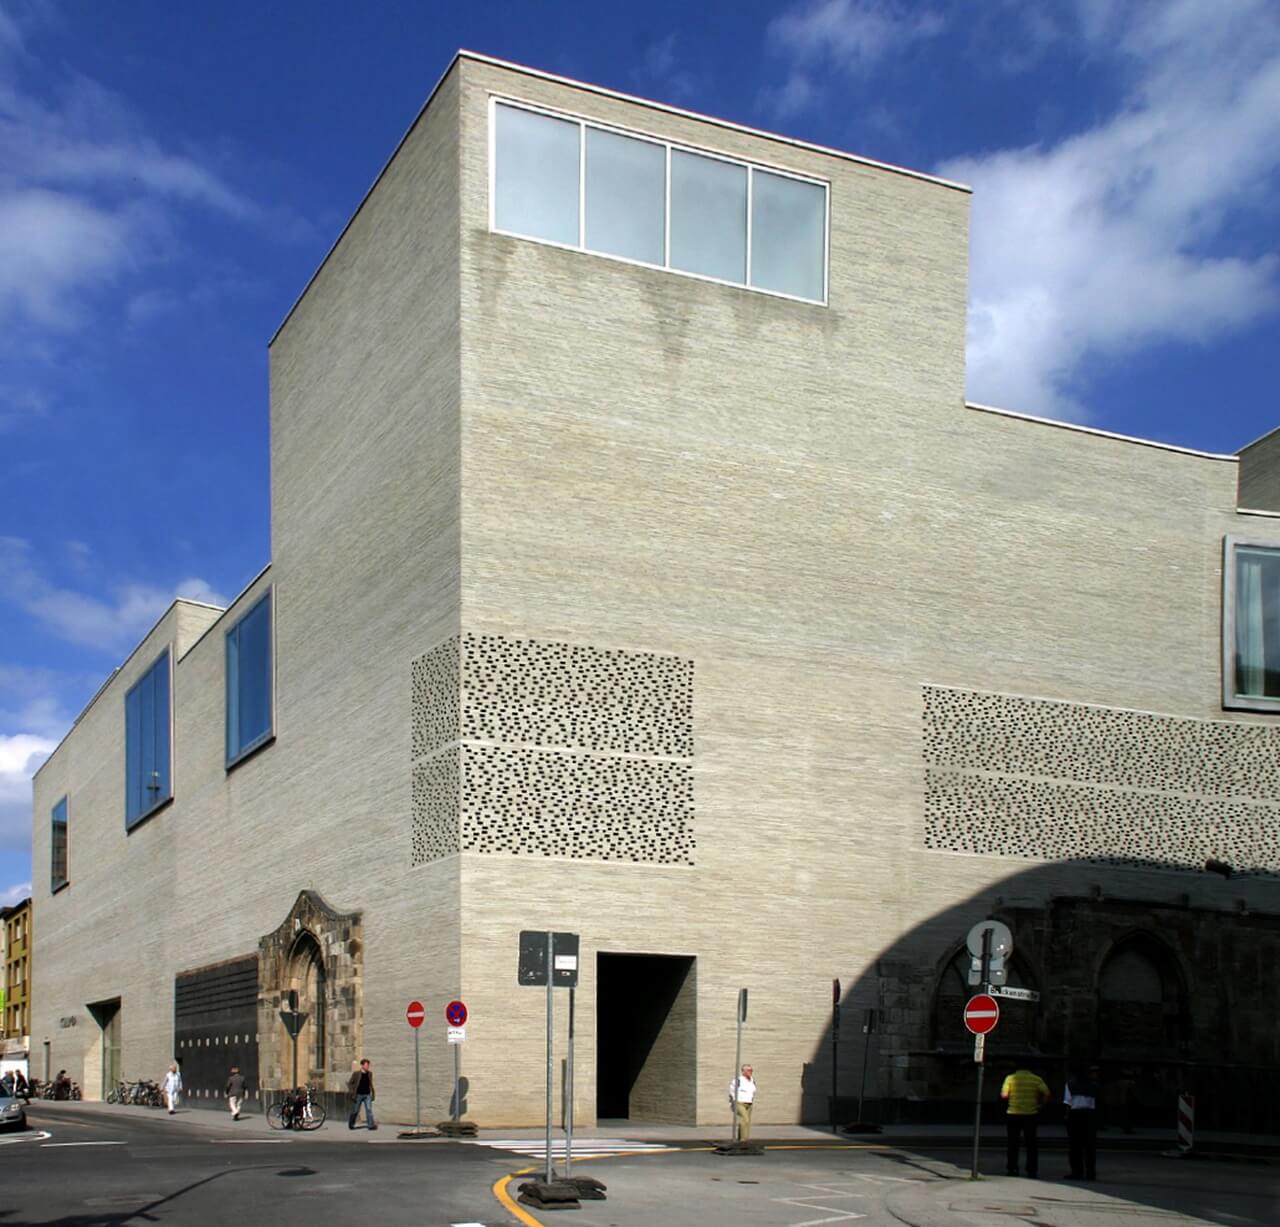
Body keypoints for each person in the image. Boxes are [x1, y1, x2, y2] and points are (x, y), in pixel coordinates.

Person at [1001, 1065, 1049, 1177]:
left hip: (1013, 1114)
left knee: (1013, 1143)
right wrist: (1041, 1105)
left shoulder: (1010, 1078)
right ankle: (1032, 1170)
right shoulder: (1036, 1079)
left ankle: (1012, 1168)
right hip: (1031, 1114)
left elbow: (1004, 1095)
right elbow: (1047, 1093)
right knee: (1031, 1144)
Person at [1063, 1066, 1099, 1180]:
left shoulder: (1070, 1084)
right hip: (1090, 1115)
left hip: (1075, 1115)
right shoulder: (1094, 1086)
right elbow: (1098, 1102)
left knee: (1074, 1146)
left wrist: (1067, 1117)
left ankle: (1077, 1172)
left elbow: (1067, 1102)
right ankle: (1090, 1173)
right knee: (1090, 1146)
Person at [728, 1063, 757, 1141]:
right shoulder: (738, 1080)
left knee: (746, 1122)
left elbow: (753, 1091)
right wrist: (734, 1100)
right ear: (743, 1071)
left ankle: (742, 1138)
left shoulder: (752, 1080)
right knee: (745, 1119)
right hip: (739, 1103)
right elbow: (731, 1091)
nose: (750, 1072)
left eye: (751, 1070)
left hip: (749, 1103)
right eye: (748, 1070)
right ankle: (744, 1140)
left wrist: (751, 1099)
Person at [347, 1058, 376, 1130]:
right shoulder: (356, 1074)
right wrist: (352, 1091)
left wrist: (372, 1093)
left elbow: (370, 1084)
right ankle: (351, 1124)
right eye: (366, 1065)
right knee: (355, 1110)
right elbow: (350, 1083)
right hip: (358, 1095)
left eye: (368, 1065)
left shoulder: (370, 1073)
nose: (367, 1067)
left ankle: (370, 1125)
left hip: (367, 1095)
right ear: (362, 1065)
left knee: (369, 1110)